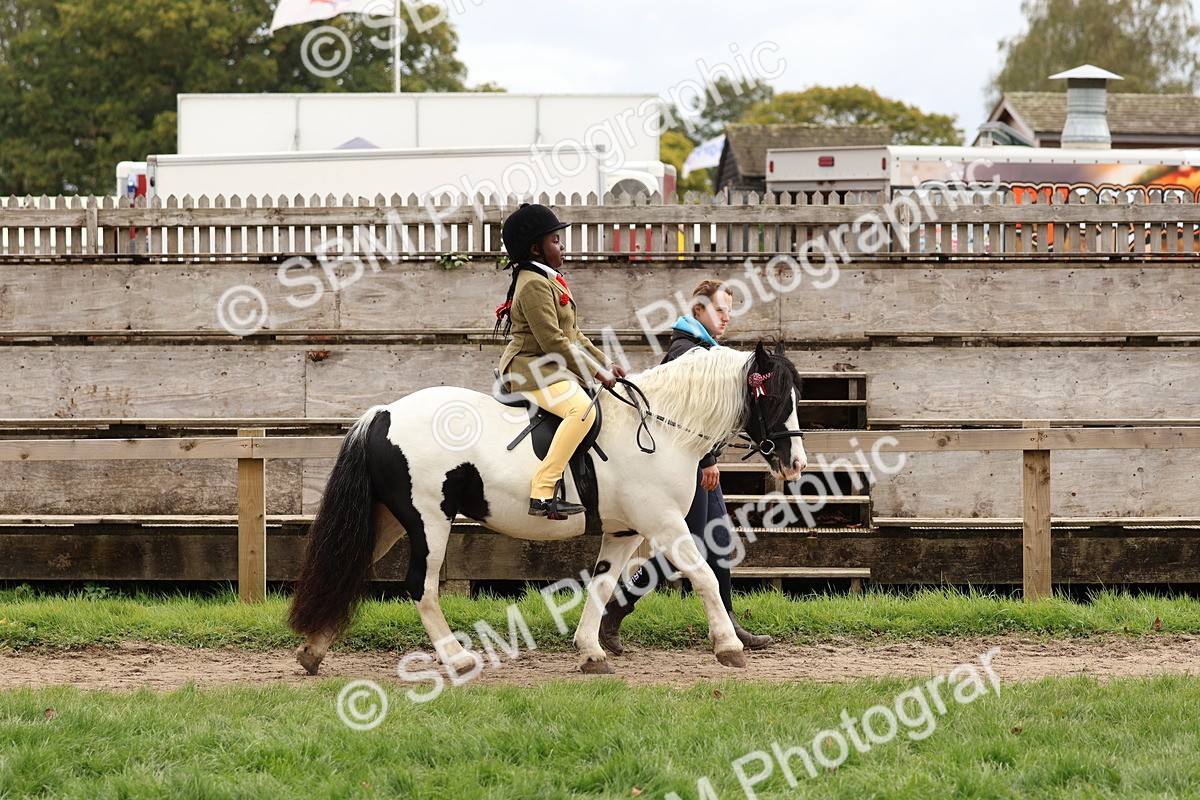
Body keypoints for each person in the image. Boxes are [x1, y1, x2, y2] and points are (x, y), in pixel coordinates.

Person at [599, 279, 772, 651]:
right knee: (691, 545)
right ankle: (616, 610)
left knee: (716, 541)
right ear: (699, 311)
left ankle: (724, 622)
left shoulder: (704, 348)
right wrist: (708, 459)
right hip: (684, 467)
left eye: (729, 311)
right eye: (720, 310)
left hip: (695, 464)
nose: (726, 317)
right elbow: (684, 417)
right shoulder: (685, 351)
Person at [496, 203, 625, 520]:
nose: (562, 245)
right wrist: (595, 372)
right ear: (536, 249)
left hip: (550, 365)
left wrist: (607, 365)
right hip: (529, 369)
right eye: (555, 240)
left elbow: (574, 333)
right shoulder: (534, 284)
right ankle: (542, 492)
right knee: (580, 409)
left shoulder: (548, 278)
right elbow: (553, 341)